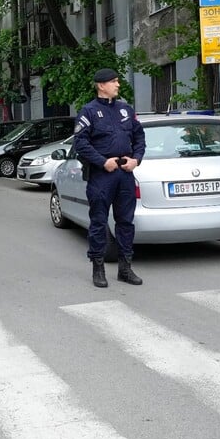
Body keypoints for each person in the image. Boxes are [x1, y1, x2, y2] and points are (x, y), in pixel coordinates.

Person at [72, 67, 146, 288]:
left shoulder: (125, 109)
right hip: (102, 175)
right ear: (101, 85)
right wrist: (103, 161)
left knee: (125, 222)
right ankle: (98, 268)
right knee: (98, 222)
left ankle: (125, 268)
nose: (118, 85)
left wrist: (137, 159)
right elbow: (81, 144)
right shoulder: (89, 112)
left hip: (125, 174)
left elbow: (139, 137)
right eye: (114, 81)